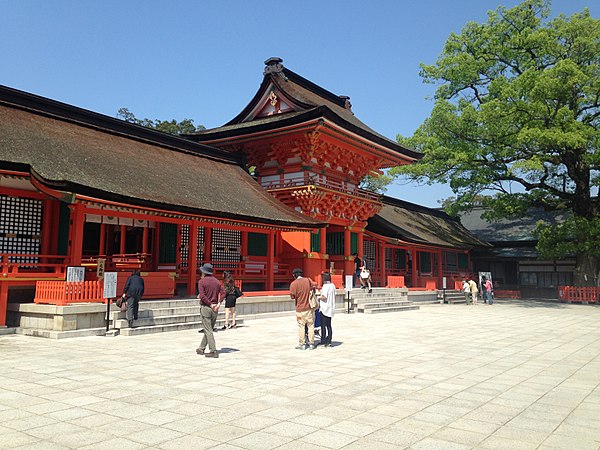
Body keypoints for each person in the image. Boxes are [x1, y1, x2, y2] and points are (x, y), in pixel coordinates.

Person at [196, 263, 225, 358]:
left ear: (204, 272)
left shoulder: (202, 282)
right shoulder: (217, 282)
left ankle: (213, 351)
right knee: (209, 329)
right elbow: (224, 292)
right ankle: (201, 348)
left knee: (208, 330)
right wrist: (219, 303)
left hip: (206, 308)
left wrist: (210, 304)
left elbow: (202, 296)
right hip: (215, 308)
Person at [290, 267, 316, 350]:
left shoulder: (293, 284)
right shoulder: (308, 280)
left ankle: (302, 344)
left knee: (301, 326)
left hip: (300, 308)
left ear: (294, 275)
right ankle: (311, 343)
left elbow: (292, 296)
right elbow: (314, 285)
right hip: (309, 307)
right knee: (311, 325)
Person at [319, 272, 336, 347]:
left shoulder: (325, 286)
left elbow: (324, 297)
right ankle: (329, 340)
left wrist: (318, 297)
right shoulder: (332, 285)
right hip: (331, 307)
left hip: (325, 308)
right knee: (329, 325)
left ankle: (323, 340)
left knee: (323, 325)